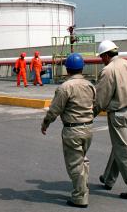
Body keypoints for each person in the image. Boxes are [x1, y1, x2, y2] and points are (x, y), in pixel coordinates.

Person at [94, 40, 127, 201]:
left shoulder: (108, 71)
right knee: (120, 145)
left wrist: (90, 115)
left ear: (105, 55)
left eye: (101, 57)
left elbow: (100, 99)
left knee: (124, 150)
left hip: (118, 114)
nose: (101, 60)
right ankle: (108, 178)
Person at [41, 53, 96, 208]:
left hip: (73, 130)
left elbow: (54, 110)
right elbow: (95, 104)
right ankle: (83, 187)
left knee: (75, 164)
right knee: (83, 159)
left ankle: (80, 197)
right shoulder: (90, 85)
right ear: (82, 68)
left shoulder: (65, 87)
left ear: (67, 69)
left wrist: (45, 124)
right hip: (89, 128)